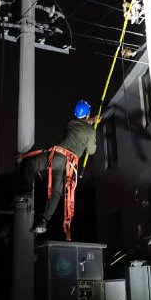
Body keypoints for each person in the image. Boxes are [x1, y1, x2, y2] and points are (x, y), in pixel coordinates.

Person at [18, 99, 97, 235]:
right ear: (88, 113)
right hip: (66, 163)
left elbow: (82, 124)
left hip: (53, 156)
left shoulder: (71, 123)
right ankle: (44, 220)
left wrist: (92, 120)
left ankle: (26, 193)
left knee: (28, 164)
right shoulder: (90, 131)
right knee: (55, 192)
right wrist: (93, 128)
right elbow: (91, 151)